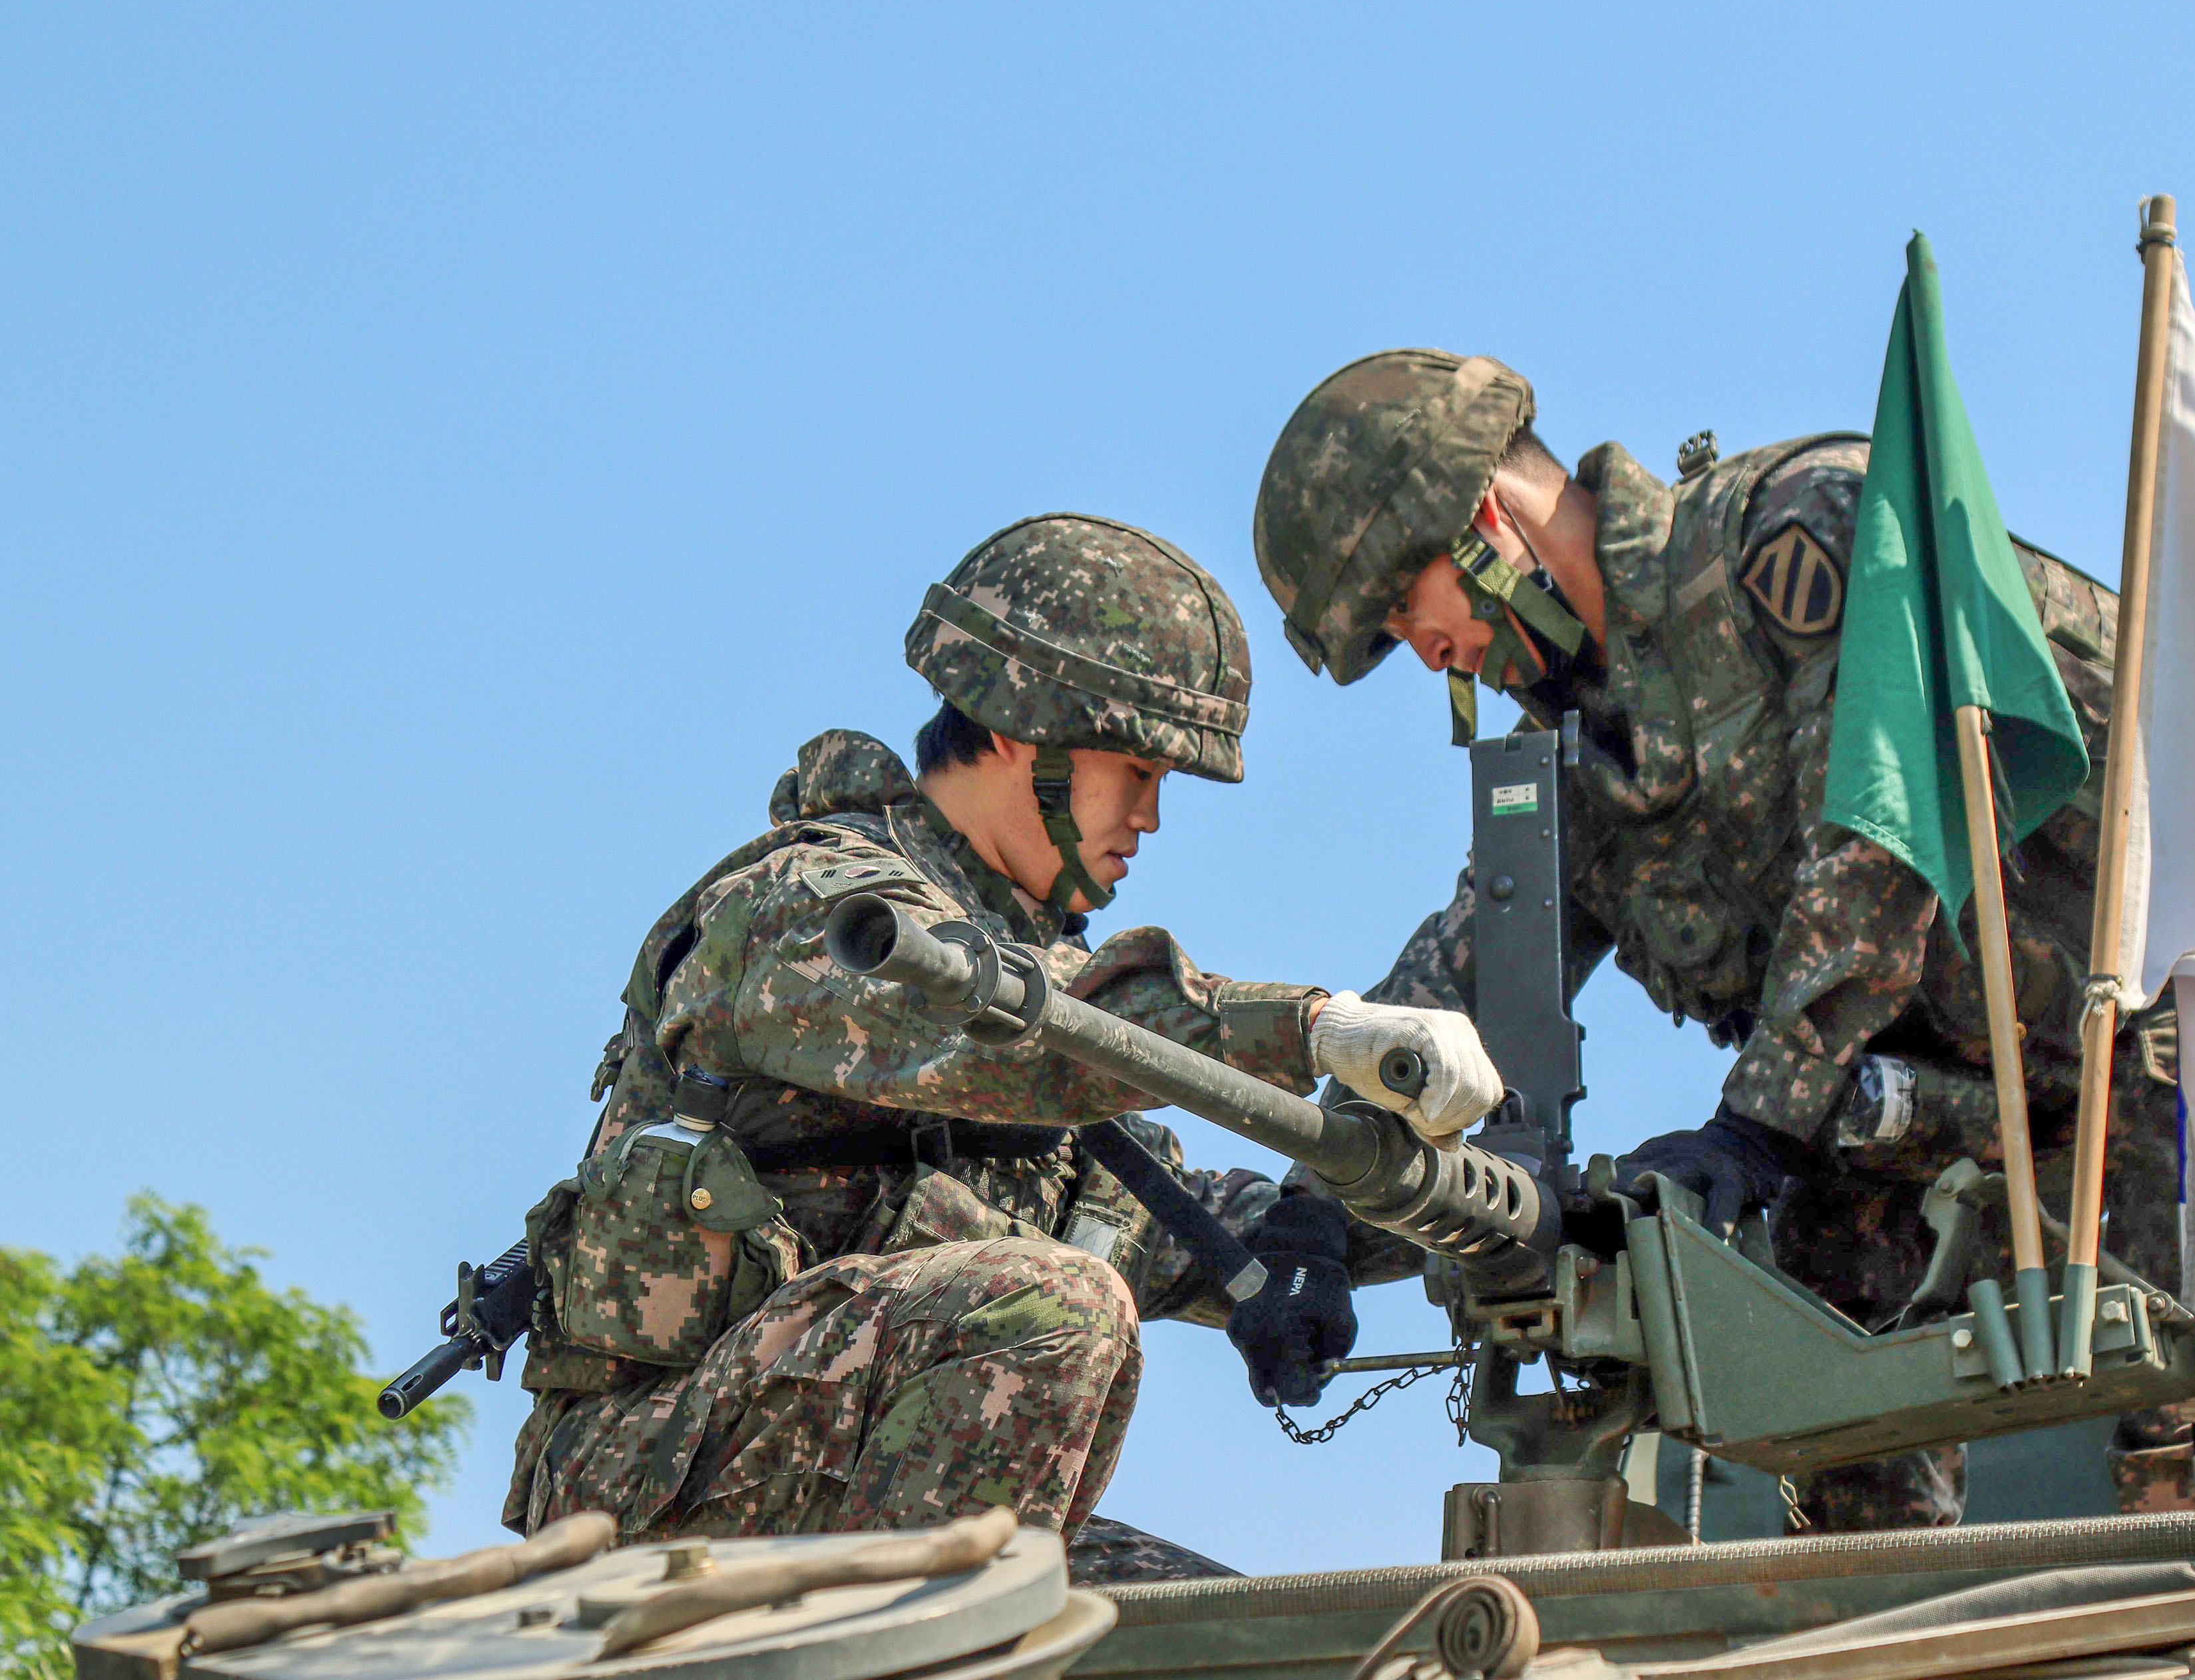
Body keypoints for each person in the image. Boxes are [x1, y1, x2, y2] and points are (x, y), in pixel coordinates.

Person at [1253, 350, 2192, 1529]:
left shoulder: (1804, 540)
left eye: (1408, 609)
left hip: (2171, 1089)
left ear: (1484, 521)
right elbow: (1464, 982)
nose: (1428, 652)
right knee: (1839, 1512)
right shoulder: (1587, 767)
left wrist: (1749, 1134)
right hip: (1926, 1133)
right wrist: (1320, 1201)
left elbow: (1884, 842)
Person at [503, 512, 1503, 1582]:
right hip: (653, 1492)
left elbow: (1141, 1214)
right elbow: (1020, 1034)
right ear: (1031, 739)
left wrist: (1346, 1230)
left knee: (1251, 1644)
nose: (1151, 820)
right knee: (1057, 1307)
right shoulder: (817, 913)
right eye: (1136, 771)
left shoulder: (1019, 977)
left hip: (823, 1480)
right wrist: (1314, 1028)